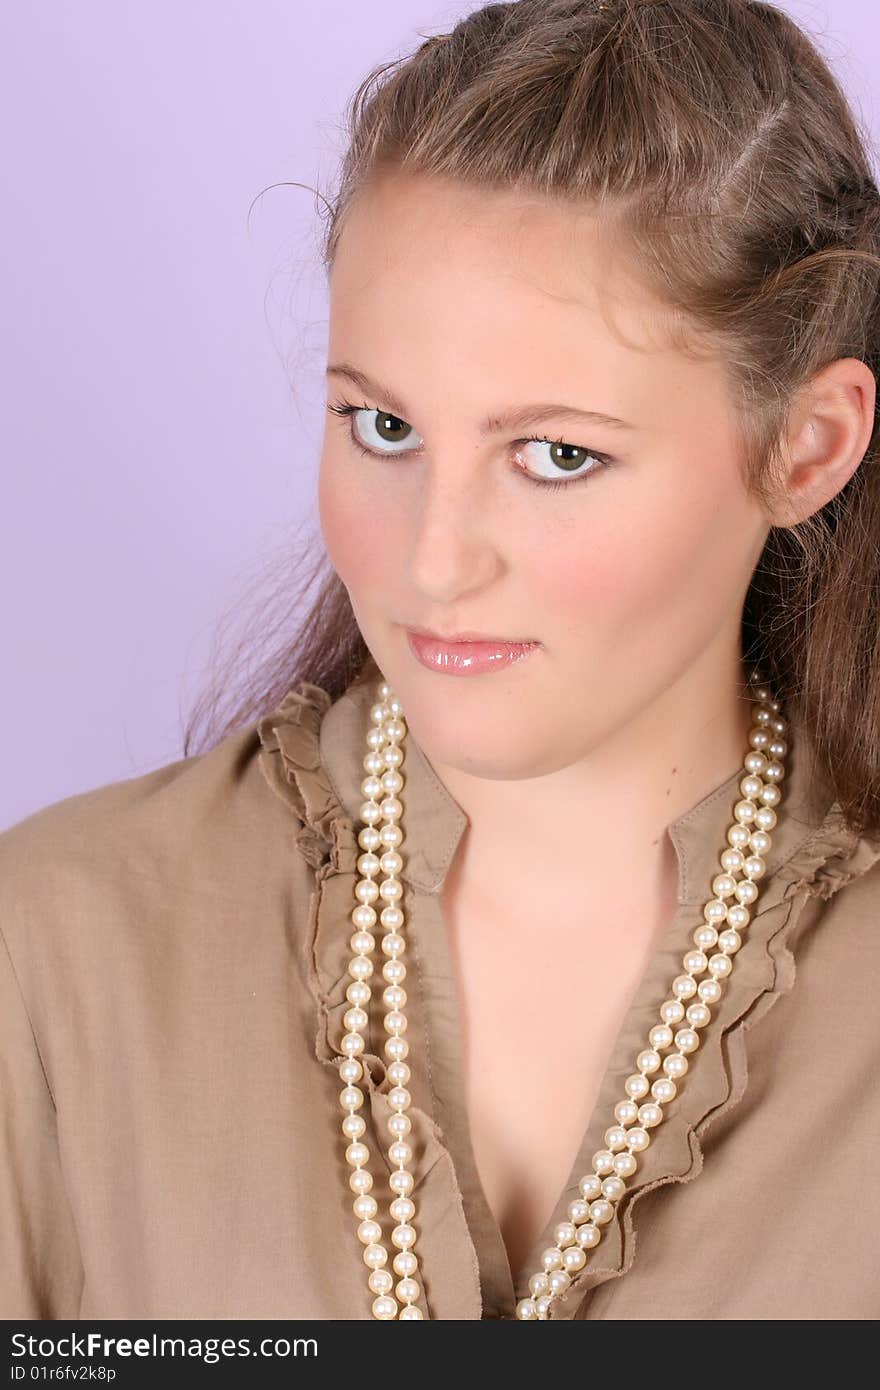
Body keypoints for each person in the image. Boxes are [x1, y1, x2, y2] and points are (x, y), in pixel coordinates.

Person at [3, 0, 880, 1321]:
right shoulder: (59, 947)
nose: (431, 561)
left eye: (558, 453)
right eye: (385, 424)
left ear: (806, 447)